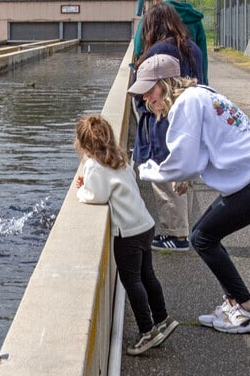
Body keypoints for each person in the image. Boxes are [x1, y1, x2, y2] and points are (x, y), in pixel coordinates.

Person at [128, 54, 250, 333]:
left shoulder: (186, 104)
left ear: (166, 83)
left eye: (149, 89)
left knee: (203, 237)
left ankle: (248, 311)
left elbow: (184, 160)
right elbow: (202, 151)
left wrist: (143, 171)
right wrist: (185, 175)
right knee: (207, 235)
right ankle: (235, 305)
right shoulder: (199, 94)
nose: (146, 98)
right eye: (142, 94)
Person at [74, 115, 178, 354]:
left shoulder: (94, 165)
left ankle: (147, 331)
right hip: (144, 225)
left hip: (127, 234)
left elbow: (97, 196)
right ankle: (163, 318)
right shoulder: (119, 158)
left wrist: (82, 191)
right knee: (147, 275)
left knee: (132, 281)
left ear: (83, 144)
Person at [132, 3, 204, 251]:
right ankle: (184, 230)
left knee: (164, 178)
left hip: (162, 121)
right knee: (184, 174)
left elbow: (141, 90)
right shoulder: (192, 48)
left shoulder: (157, 52)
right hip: (190, 120)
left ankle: (176, 235)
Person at [133, 0, 209, 82]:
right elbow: (202, 55)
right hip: (187, 79)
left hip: (158, 79)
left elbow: (138, 49)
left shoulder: (152, 15)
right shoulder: (194, 18)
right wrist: (204, 82)